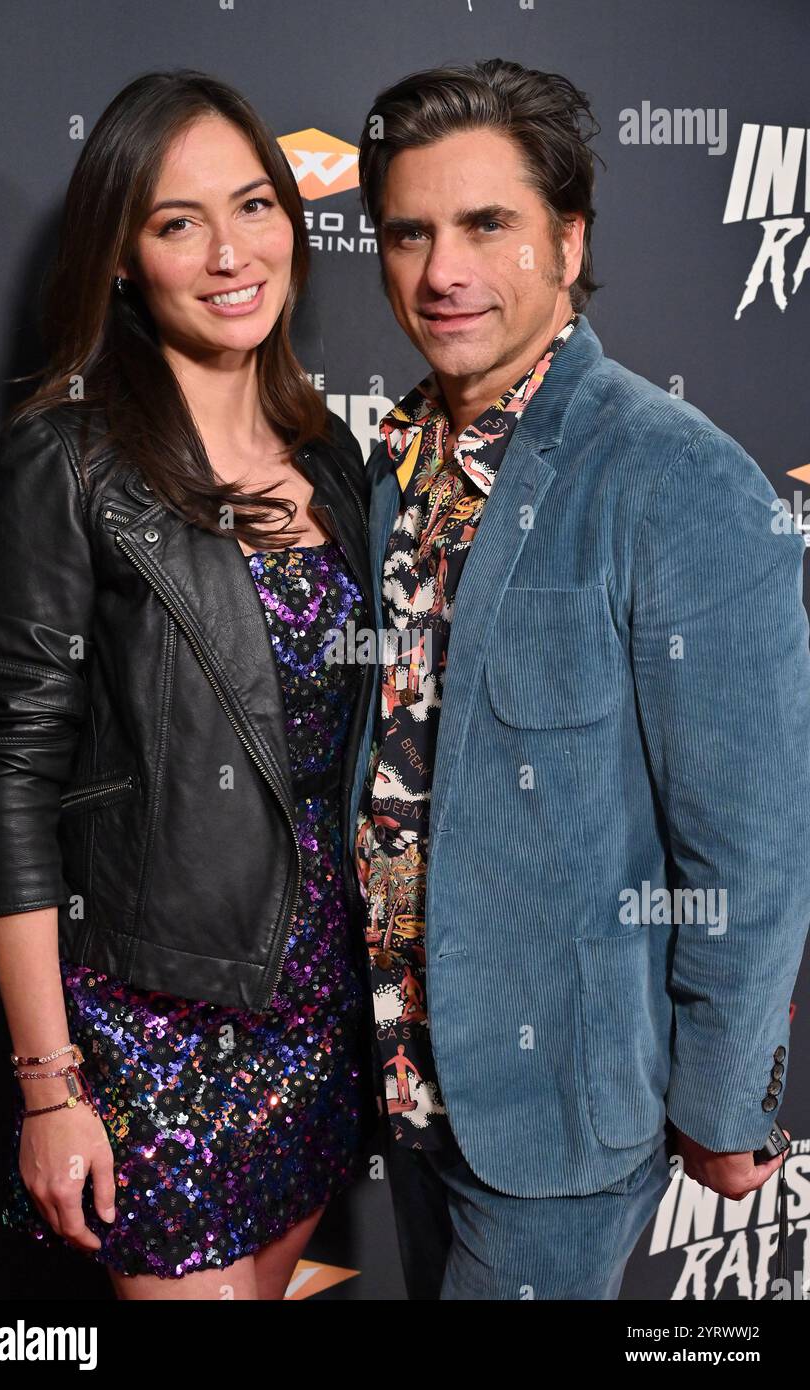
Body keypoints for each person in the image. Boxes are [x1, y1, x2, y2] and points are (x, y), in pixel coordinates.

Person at [347, 58, 810, 1300]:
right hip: (400, 1081)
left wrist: (724, 1103)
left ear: (567, 237)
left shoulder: (675, 476)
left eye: (487, 224)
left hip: (558, 1117)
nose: (443, 269)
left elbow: (754, 839)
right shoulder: (391, 462)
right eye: (410, 231)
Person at [0, 69, 379, 1301]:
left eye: (253, 205)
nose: (230, 251)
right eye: (177, 220)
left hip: (319, 1008)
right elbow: (9, 781)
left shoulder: (333, 454)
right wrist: (51, 1085)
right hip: (151, 1023)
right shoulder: (63, 457)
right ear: (125, 258)